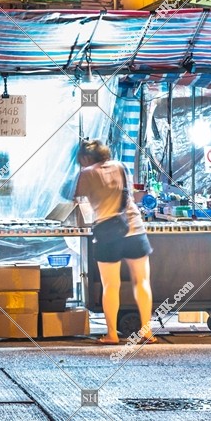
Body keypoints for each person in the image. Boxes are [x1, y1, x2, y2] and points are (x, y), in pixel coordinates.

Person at [74, 140, 153, 345]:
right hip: (134, 228)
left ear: (85, 158)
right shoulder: (121, 166)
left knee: (110, 285)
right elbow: (130, 193)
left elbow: (72, 195)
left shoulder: (87, 173)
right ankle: (146, 332)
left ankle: (112, 335)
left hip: (108, 233)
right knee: (142, 282)